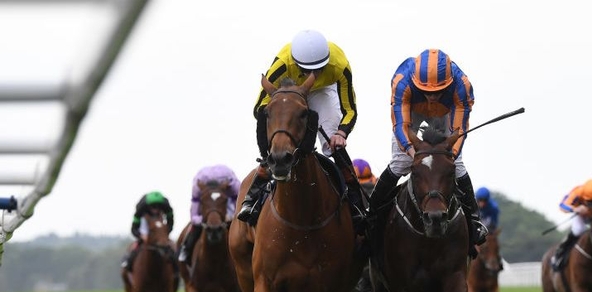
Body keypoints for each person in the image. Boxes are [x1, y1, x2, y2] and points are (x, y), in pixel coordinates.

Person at [237, 29, 365, 227]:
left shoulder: (339, 65)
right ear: (295, 63)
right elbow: (259, 108)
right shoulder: (281, 64)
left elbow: (350, 109)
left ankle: (356, 204)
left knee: (332, 142)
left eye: (319, 69)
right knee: (276, 135)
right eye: (305, 70)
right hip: (288, 94)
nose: (311, 75)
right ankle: (255, 191)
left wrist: (342, 133)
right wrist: (282, 115)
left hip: (323, 92)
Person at [368, 48, 487, 256]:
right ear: (415, 82)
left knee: (456, 165)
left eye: (438, 92)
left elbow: (459, 131)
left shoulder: (462, 86)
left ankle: (474, 222)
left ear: (450, 84)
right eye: (427, 92)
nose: (432, 98)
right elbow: (400, 127)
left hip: (446, 114)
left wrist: (448, 155)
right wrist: (417, 156)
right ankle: (371, 218)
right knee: (399, 163)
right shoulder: (402, 81)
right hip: (412, 113)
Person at [178, 165, 242, 263]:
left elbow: (240, 207)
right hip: (206, 204)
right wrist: (201, 220)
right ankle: (186, 248)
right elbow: (194, 215)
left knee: (240, 226)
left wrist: (232, 216)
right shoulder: (197, 186)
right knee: (194, 226)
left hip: (225, 201)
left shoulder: (233, 186)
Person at [550, 179, 592, 271]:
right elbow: (563, 205)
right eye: (590, 201)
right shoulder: (578, 191)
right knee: (578, 230)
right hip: (581, 215)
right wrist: (575, 209)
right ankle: (561, 252)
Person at [122, 191, 175, 270]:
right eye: (153, 207)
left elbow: (170, 223)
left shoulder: (166, 208)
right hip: (144, 232)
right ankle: (128, 262)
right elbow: (134, 229)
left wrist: (165, 234)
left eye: (158, 207)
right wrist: (141, 236)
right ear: (149, 207)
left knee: (171, 249)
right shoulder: (140, 210)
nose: (156, 209)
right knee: (136, 246)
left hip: (160, 233)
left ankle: (176, 270)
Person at [476, 186, 503, 269]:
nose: (482, 203)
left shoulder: (493, 208)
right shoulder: (471, 204)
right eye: (480, 200)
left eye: (484, 201)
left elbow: (493, 224)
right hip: (475, 229)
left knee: (494, 244)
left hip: (488, 230)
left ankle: (498, 261)